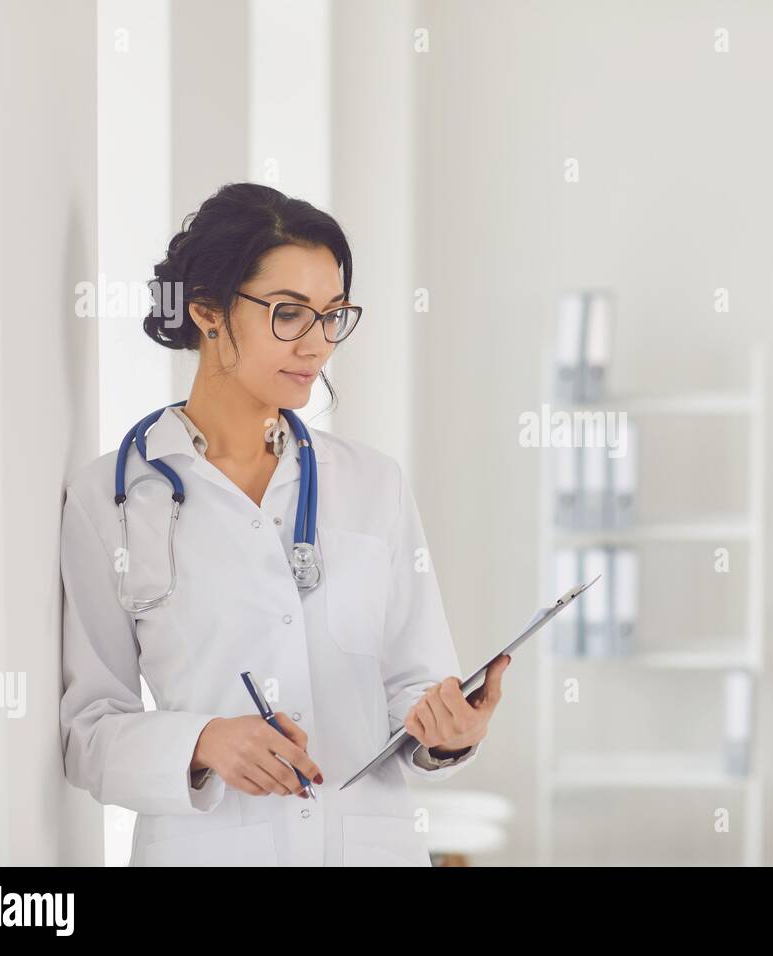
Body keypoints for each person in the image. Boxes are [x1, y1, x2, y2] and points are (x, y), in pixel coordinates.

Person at [58, 182, 507, 865]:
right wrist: (204, 741)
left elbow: (416, 689)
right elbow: (87, 733)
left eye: (333, 315)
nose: (318, 344)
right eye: (289, 314)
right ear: (208, 311)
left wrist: (449, 731)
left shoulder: (372, 483)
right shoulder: (111, 498)